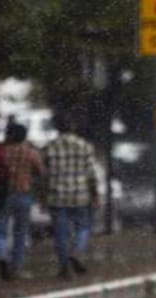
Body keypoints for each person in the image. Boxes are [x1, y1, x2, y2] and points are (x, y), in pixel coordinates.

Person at [42, 112, 99, 280]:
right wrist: (95, 194)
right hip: (81, 194)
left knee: (60, 233)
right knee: (83, 227)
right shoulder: (85, 146)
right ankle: (76, 252)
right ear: (73, 127)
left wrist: (43, 195)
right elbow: (91, 173)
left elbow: (44, 175)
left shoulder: (50, 147)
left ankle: (64, 267)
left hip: (57, 195)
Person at [0, 122, 45, 280]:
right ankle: (17, 269)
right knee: (20, 233)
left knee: (0, 232)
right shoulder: (31, 153)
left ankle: (1, 257)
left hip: (1, 196)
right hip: (22, 195)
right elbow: (41, 172)